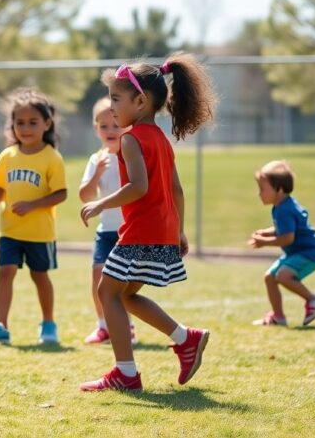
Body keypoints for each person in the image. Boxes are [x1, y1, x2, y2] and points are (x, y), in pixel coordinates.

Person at [79, 54, 217, 392]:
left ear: (140, 102)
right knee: (124, 295)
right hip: (163, 231)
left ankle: (126, 373)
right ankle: (186, 339)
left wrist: (100, 203)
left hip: (140, 232)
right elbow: (177, 189)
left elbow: (138, 187)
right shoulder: (161, 140)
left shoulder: (130, 138)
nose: (111, 107)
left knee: (106, 292)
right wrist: (179, 230)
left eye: (116, 99)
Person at [0, 89, 67, 345]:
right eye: (19, 123)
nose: (25, 128)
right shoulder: (7, 156)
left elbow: (60, 194)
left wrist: (33, 205)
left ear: (47, 124)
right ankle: (1, 326)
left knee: (40, 275)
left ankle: (48, 324)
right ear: (12, 126)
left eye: (32, 122)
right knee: (5, 272)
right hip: (10, 231)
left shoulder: (52, 158)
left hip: (40, 233)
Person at [78, 97, 135, 346]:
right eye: (104, 127)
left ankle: (126, 326)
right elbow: (84, 195)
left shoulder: (131, 155)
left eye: (115, 125)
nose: (110, 131)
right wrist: (97, 174)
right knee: (97, 276)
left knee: (123, 283)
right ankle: (103, 327)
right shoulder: (96, 160)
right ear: (95, 129)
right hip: (106, 231)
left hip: (129, 231)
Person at [248, 160, 315, 327]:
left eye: (263, 189)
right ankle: (278, 317)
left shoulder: (284, 209)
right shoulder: (281, 206)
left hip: (308, 254)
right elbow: (282, 229)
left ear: (279, 189)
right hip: (296, 253)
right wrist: (267, 232)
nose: (259, 193)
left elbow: (287, 238)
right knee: (270, 277)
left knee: (282, 276)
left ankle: (314, 300)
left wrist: (263, 242)